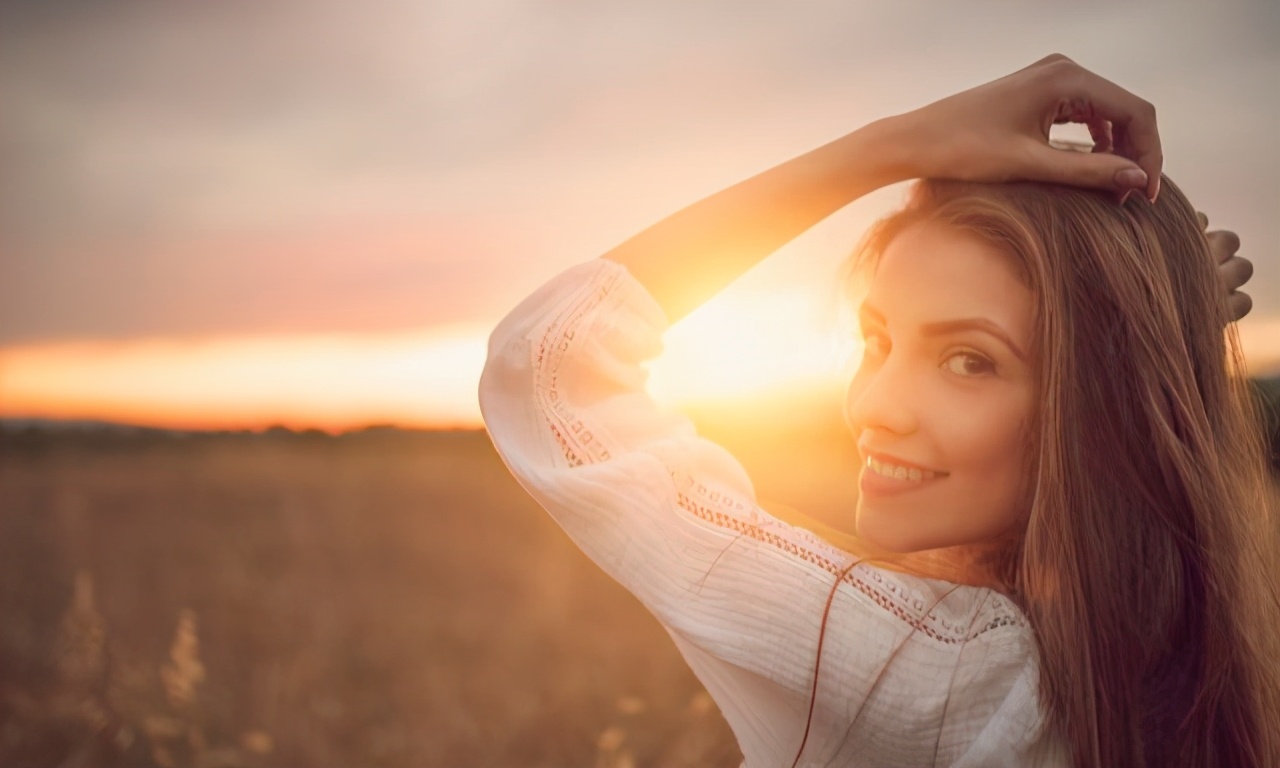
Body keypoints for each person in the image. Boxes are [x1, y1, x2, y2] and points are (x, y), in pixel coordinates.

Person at [478, 55, 1277, 767]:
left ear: (1105, 406)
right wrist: (1150, 328)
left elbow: (548, 368)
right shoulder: (1181, 662)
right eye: (877, 339)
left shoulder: (938, 671)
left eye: (969, 360)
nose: (876, 405)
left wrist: (892, 144)